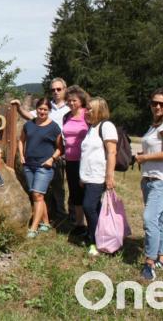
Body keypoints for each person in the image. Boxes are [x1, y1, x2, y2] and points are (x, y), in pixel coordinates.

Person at [10, 77, 70, 220]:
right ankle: (48, 217)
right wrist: (18, 107)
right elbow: (30, 116)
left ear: (65, 90)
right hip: (44, 153)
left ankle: (63, 215)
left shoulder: (70, 107)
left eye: (58, 89)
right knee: (41, 190)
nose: (55, 92)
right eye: (53, 89)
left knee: (60, 186)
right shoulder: (47, 105)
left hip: (63, 151)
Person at [135, 88, 163, 281]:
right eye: (154, 103)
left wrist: (144, 157)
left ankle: (150, 262)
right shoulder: (154, 125)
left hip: (162, 181)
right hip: (149, 180)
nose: (157, 106)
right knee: (159, 220)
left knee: (149, 218)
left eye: (162, 103)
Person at [18, 97, 64, 238]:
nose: (42, 112)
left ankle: (33, 228)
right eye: (40, 109)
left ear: (49, 111)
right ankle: (45, 223)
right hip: (29, 165)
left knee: (37, 195)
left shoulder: (54, 127)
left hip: (45, 166)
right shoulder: (29, 125)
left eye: (45, 109)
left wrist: (52, 159)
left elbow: (60, 148)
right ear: (36, 109)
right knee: (37, 195)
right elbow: (21, 140)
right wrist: (21, 155)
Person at [79, 97, 117, 257]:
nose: (86, 112)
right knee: (95, 209)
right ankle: (100, 236)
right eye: (86, 109)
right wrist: (82, 176)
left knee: (88, 207)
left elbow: (111, 152)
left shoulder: (106, 126)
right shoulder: (91, 128)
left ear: (99, 111)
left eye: (90, 109)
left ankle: (95, 241)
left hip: (98, 176)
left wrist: (109, 176)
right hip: (87, 177)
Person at [62, 85, 91, 234]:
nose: (71, 103)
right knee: (75, 193)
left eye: (74, 100)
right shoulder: (66, 116)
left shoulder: (88, 115)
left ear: (81, 100)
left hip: (86, 160)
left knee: (87, 192)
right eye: (69, 101)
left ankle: (92, 223)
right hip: (70, 160)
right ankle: (80, 224)